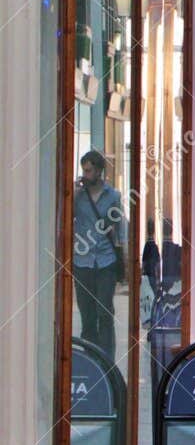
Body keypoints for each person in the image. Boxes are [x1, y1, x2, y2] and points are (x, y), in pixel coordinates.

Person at [73, 150, 125, 357]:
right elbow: (65, 217)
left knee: (104, 312)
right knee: (87, 315)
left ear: (99, 171)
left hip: (105, 261)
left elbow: (120, 229)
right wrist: (73, 194)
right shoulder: (78, 196)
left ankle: (107, 360)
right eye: (83, 170)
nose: (85, 175)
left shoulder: (113, 196)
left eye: (88, 171)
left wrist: (124, 259)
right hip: (82, 260)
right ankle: (90, 359)